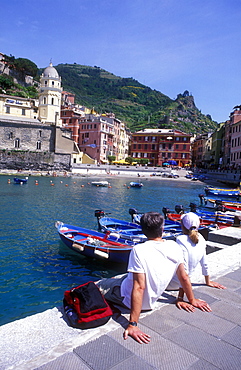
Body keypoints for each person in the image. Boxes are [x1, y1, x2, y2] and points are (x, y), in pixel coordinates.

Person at [97, 212, 211, 344]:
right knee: (124, 277)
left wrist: (133, 324)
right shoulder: (174, 246)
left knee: (101, 284)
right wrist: (191, 299)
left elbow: (139, 287)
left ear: (143, 230)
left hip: (126, 298)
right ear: (162, 229)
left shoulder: (138, 250)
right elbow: (184, 277)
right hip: (151, 300)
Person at [167, 212, 226, 310]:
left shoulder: (180, 239)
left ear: (182, 226)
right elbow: (205, 263)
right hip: (185, 281)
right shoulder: (201, 239)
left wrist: (184, 298)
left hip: (173, 283)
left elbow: (184, 270)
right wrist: (208, 281)